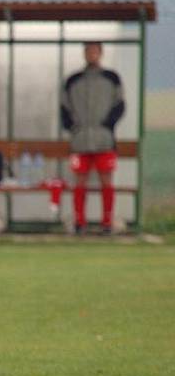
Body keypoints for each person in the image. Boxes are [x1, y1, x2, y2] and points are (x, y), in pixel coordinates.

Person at [61, 41, 125, 235]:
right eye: (88, 51)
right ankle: (80, 222)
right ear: (84, 54)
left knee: (107, 181)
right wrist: (74, 128)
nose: (91, 54)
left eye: (95, 51)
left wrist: (107, 126)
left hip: (104, 141)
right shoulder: (73, 80)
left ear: (101, 53)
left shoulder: (112, 78)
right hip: (80, 141)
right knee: (80, 181)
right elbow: (64, 108)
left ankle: (107, 221)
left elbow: (120, 105)